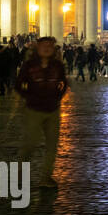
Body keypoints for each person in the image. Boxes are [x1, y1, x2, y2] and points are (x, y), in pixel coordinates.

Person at [16, 36, 67, 187]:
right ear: (37, 48)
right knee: (30, 144)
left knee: (52, 146)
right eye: (44, 46)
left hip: (53, 109)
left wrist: (58, 96)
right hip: (34, 109)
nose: (47, 48)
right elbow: (19, 84)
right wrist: (29, 97)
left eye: (50, 46)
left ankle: (46, 177)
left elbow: (63, 83)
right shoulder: (29, 65)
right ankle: (20, 174)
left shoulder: (57, 65)